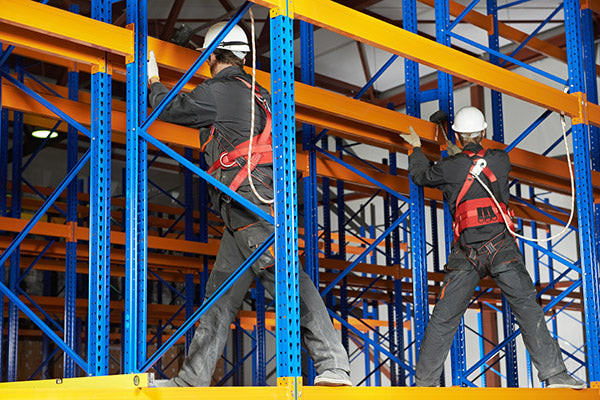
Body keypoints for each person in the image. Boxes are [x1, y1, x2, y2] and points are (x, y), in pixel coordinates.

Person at [146, 21, 351, 387]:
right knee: (219, 298)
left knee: (287, 281)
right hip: (244, 204)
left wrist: (151, 81)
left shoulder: (220, 89)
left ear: (211, 56)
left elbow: (172, 109)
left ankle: (334, 365)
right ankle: (192, 379)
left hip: (247, 202)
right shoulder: (256, 90)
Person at [399, 106, 586, 389]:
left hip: (467, 254)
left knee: (443, 319)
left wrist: (414, 148)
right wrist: (455, 147)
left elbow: (422, 175)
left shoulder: (450, 168)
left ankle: (424, 384)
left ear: (459, 138)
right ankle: (556, 375)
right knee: (528, 310)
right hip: (502, 249)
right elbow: (470, 165)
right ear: (484, 132)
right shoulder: (501, 160)